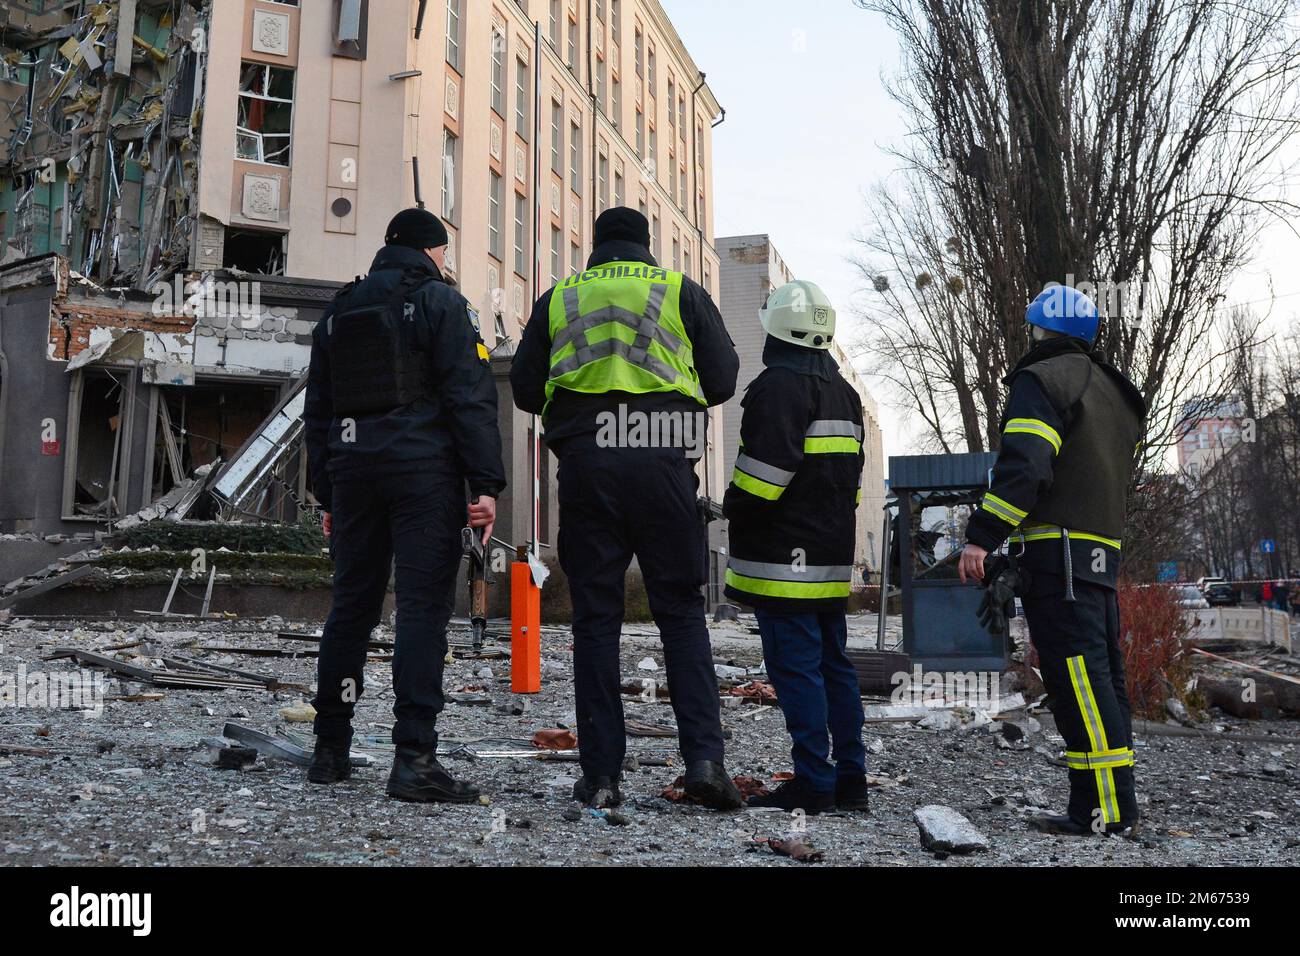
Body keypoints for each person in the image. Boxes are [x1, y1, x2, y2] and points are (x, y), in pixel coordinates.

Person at [510, 207, 743, 809]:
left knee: (595, 622)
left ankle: (603, 776)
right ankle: (704, 764)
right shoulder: (676, 289)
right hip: (661, 456)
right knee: (681, 613)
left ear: (595, 247)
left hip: (587, 464)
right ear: (646, 244)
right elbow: (721, 379)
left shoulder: (558, 297)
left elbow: (526, 390)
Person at [303, 207, 505, 802]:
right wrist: (484, 485)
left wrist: (328, 494)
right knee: (421, 611)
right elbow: (471, 397)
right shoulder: (444, 304)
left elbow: (318, 412)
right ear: (434, 251)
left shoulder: (339, 310)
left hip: (354, 473)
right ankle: (413, 757)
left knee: (351, 609)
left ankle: (329, 749)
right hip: (422, 475)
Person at [959, 284, 1146, 836]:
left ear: (1040, 329)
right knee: (1103, 680)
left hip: (1059, 558)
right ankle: (1111, 805)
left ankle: (1102, 813)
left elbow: (1027, 467)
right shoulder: (1114, 391)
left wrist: (982, 535)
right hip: (1097, 554)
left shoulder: (1042, 380)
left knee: (1078, 684)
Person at [721, 280, 869, 815]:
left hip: (783, 561)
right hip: (829, 559)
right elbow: (851, 487)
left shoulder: (776, 386)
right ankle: (851, 780)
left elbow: (763, 481)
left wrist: (727, 505)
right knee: (835, 666)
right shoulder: (846, 392)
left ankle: (814, 781)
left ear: (777, 331)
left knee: (797, 669)